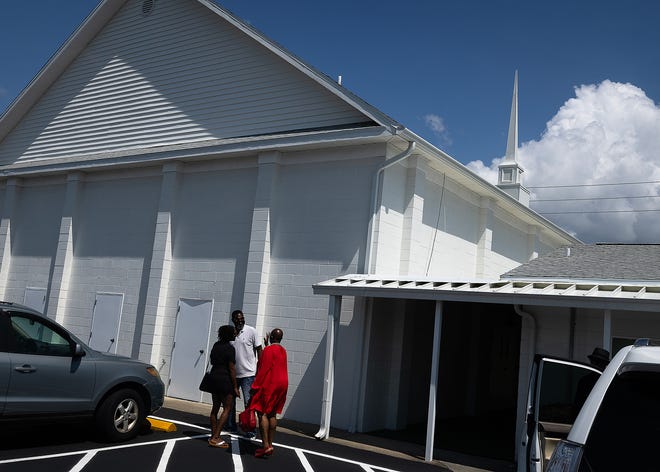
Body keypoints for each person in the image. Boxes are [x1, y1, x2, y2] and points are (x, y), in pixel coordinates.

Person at [250, 328, 288, 458]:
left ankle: (265, 445)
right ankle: (270, 444)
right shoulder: (283, 351)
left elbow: (263, 368)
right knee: (272, 414)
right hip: (282, 384)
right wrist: (267, 347)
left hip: (270, 384)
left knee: (262, 413)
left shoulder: (268, 350)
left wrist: (255, 386)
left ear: (271, 336)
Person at [227, 309, 262, 438]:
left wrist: (259, 369)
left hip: (248, 375)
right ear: (233, 320)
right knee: (230, 402)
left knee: (249, 403)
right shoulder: (231, 333)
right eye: (237, 318)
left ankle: (250, 430)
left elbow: (259, 349)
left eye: (242, 318)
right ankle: (231, 426)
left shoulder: (251, 331)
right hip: (233, 375)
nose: (240, 320)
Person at [207, 325, 240, 448]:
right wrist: (235, 387)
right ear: (229, 334)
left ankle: (213, 435)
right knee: (227, 408)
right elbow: (232, 369)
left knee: (215, 408)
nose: (235, 334)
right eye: (234, 332)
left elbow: (211, 361)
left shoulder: (216, 345)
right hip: (225, 379)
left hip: (214, 377)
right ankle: (216, 437)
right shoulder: (230, 348)